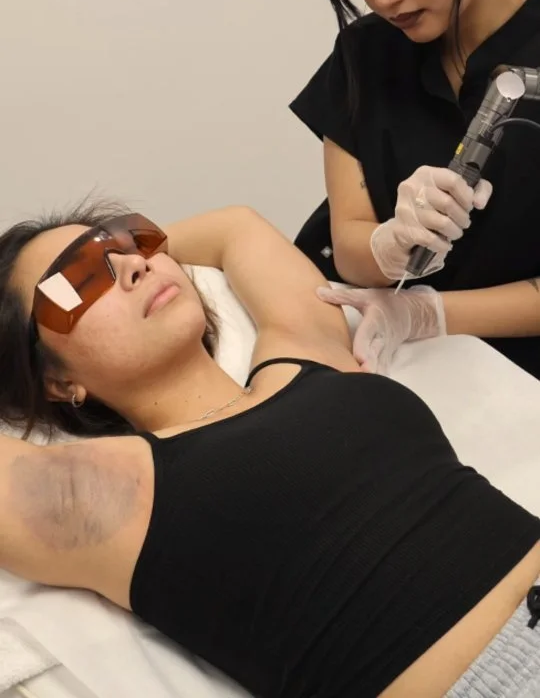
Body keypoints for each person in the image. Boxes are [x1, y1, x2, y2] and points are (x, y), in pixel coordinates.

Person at [0, 199, 539, 698]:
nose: (135, 265)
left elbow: (235, 226)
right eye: (80, 279)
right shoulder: (99, 493)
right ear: (55, 381)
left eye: (129, 242)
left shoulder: (305, 356)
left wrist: (116, 250)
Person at [290, 0, 540, 379]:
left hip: (507, 374)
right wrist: (389, 243)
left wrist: (427, 314)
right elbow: (349, 242)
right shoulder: (366, 53)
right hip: (363, 344)